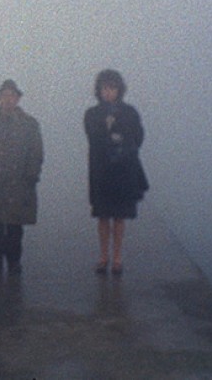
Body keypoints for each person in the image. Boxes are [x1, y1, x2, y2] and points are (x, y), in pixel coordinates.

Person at [0, 79, 43, 274]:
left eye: (12, 95)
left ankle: (14, 262)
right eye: (4, 95)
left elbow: (36, 152)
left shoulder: (29, 124)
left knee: (14, 227)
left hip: (19, 184)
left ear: (18, 98)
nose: (8, 99)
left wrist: (31, 176)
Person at [84, 69, 148, 276]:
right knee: (102, 216)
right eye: (104, 88)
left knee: (120, 217)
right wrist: (113, 136)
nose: (108, 92)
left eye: (112, 88)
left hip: (124, 171)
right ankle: (103, 257)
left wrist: (120, 142)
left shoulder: (130, 112)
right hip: (101, 171)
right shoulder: (92, 114)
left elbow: (138, 137)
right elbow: (93, 138)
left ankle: (117, 257)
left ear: (119, 89)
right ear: (99, 90)